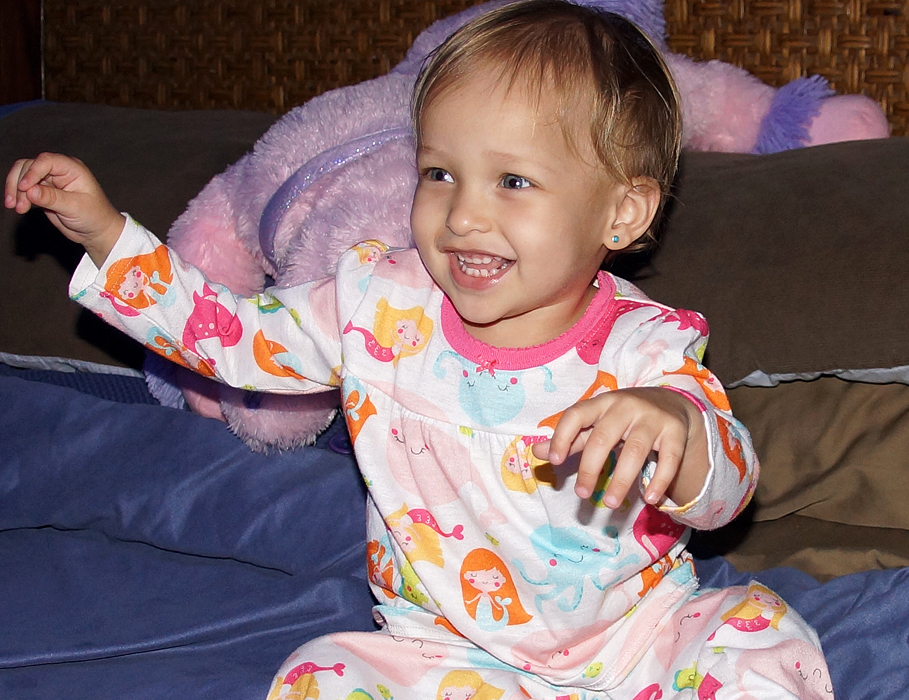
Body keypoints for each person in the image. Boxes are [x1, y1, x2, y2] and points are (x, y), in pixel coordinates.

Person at [5, 2, 833, 697]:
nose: (463, 215)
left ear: (621, 214)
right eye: (439, 173)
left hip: (635, 637)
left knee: (755, 639)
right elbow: (233, 339)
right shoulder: (377, 302)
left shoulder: (646, 345)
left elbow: (728, 491)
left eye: (512, 182)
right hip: (449, 654)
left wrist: (676, 431)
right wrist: (110, 237)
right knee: (320, 673)